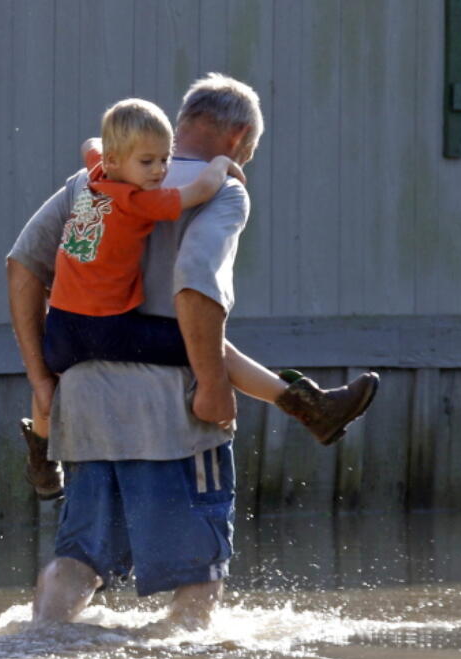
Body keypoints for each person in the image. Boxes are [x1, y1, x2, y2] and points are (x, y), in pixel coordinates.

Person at [6, 74, 376, 629]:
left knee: (78, 560)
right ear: (240, 137)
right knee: (199, 579)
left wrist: (40, 378)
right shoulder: (223, 188)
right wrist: (211, 383)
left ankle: (39, 650)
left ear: (181, 125)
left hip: (81, 400)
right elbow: (196, 282)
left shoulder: (90, 182)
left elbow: (21, 266)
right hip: (169, 408)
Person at [19, 97, 377, 501]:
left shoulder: (93, 173)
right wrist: (223, 167)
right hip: (106, 327)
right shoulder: (140, 200)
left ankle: (41, 459)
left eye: (162, 160)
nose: (158, 171)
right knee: (200, 344)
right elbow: (198, 223)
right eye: (149, 163)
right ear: (239, 137)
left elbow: (24, 260)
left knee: (47, 389)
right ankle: (307, 406)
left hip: (61, 326)